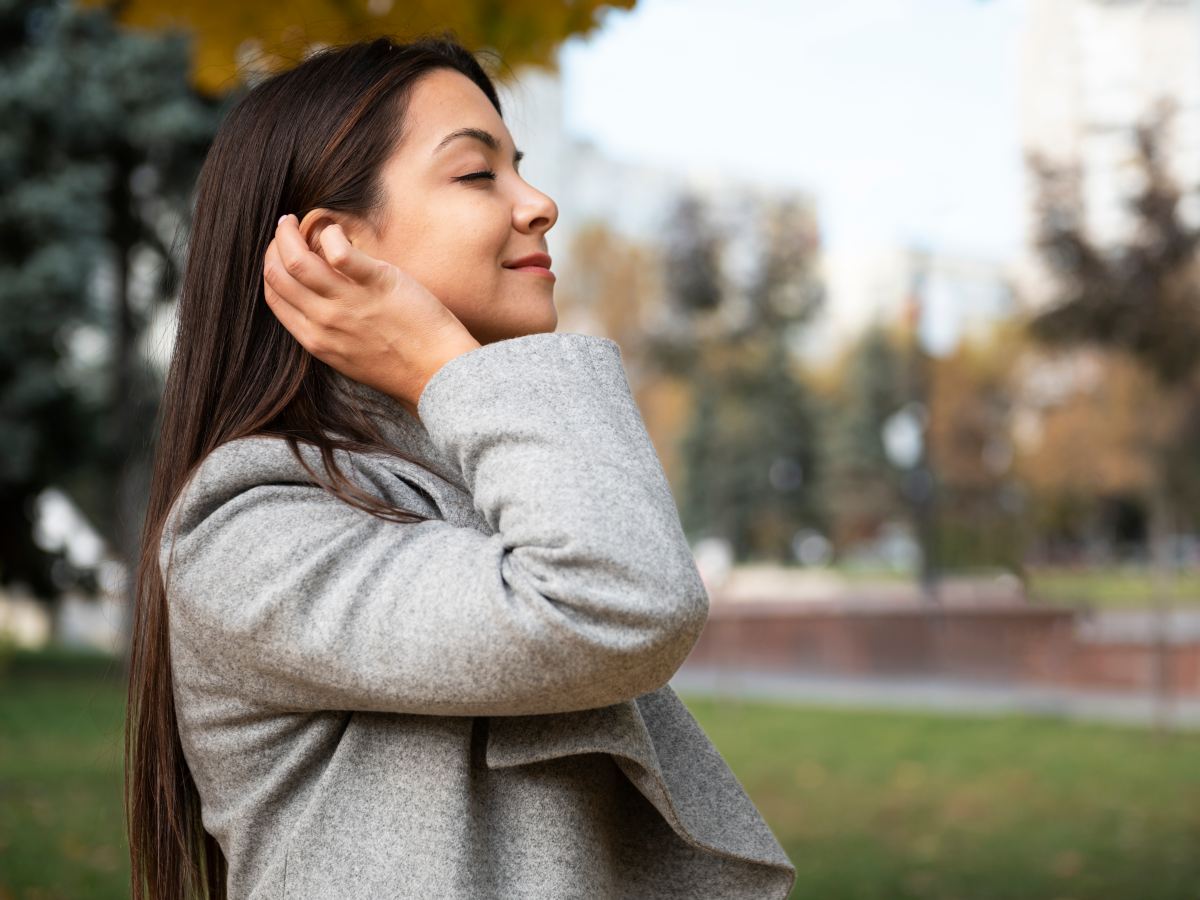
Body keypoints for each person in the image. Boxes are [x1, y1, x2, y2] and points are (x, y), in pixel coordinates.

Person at [125, 31, 797, 900]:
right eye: (479, 174)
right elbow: (619, 599)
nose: (540, 202)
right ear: (334, 249)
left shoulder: (490, 481)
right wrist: (447, 361)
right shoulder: (249, 528)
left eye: (519, 166)